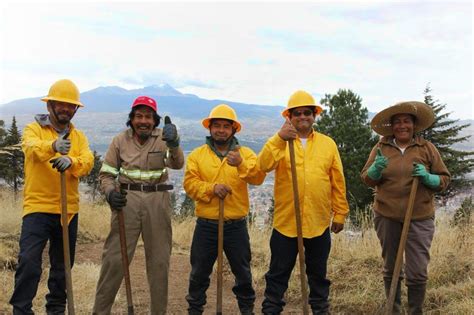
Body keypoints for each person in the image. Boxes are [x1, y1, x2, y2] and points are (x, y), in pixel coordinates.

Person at [258, 90, 349, 314]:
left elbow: (337, 180)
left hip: (318, 223)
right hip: (286, 223)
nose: (302, 117)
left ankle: (320, 310)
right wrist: (279, 139)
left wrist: (339, 213)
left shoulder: (328, 144)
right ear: (288, 117)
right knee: (277, 275)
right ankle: (271, 310)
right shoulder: (280, 143)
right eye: (296, 113)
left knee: (318, 276)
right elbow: (263, 165)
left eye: (306, 113)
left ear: (314, 115)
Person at [92, 96, 184, 314]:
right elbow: (106, 174)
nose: (144, 121)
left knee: (159, 263)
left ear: (155, 120)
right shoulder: (119, 141)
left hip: (157, 202)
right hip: (126, 203)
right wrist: (110, 193)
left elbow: (177, 163)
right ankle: (100, 311)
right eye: (139, 116)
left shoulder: (163, 138)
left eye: (148, 117)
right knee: (114, 261)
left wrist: (174, 144)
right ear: (132, 119)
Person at [10, 79, 94, 314]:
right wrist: (54, 146)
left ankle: (56, 310)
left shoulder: (79, 137)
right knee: (29, 263)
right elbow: (31, 149)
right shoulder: (33, 129)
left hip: (68, 211)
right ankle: (21, 309)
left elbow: (87, 162)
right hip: (37, 207)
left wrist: (72, 161)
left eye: (70, 106)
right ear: (50, 106)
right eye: (61, 104)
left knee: (62, 267)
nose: (66, 109)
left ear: (75, 109)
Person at [361, 101, 450, 314]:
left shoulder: (426, 148)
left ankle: (415, 311)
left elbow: (445, 179)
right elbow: (366, 178)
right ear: (392, 126)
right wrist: (375, 171)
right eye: (397, 122)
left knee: (417, 270)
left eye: (406, 121)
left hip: (419, 217)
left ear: (414, 124)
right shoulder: (381, 148)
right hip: (387, 215)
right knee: (391, 267)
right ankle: (394, 309)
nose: (402, 126)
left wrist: (429, 178)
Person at [183, 104, 266, 314]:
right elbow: (190, 185)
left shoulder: (245, 154)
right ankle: (194, 310)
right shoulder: (196, 155)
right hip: (206, 225)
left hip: (236, 226)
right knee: (199, 274)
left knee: (243, 274)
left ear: (234, 129)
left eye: (225, 126)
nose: (221, 130)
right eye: (216, 125)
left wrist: (240, 164)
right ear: (209, 128)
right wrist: (212, 188)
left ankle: (247, 310)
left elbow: (257, 177)